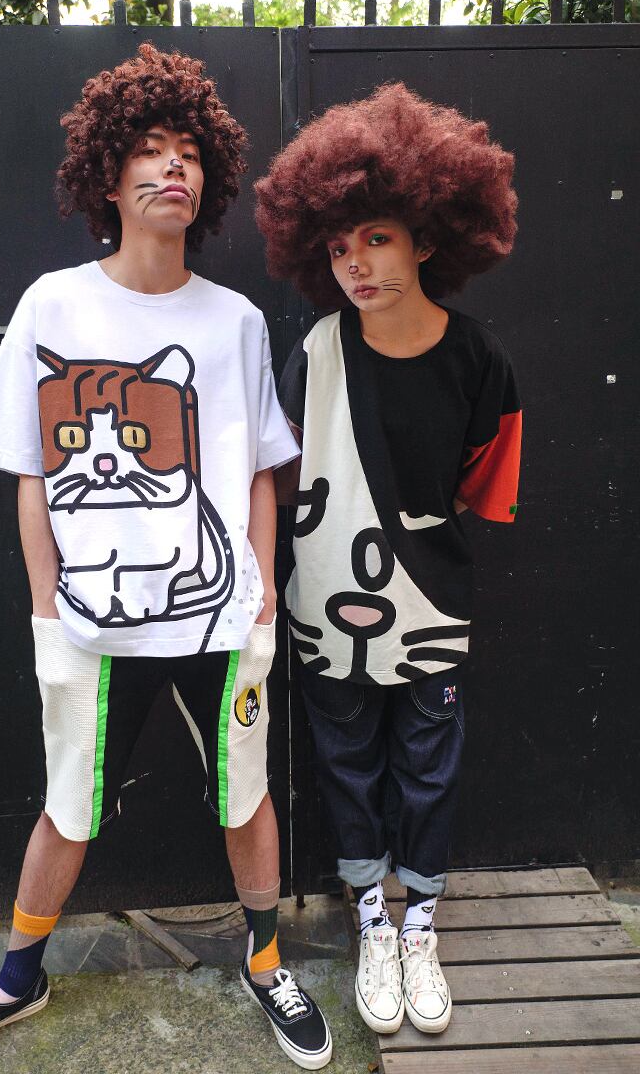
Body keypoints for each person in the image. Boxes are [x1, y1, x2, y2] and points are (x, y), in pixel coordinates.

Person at [0, 43, 331, 1070]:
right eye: (149, 146)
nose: (173, 163)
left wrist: (262, 598)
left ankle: (266, 962)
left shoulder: (232, 323)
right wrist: (46, 608)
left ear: (208, 180)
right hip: (89, 626)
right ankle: (15, 979)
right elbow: (30, 472)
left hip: (219, 617)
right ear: (108, 173)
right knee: (67, 805)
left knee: (245, 796)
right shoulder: (52, 306)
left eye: (190, 149)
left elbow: (258, 472)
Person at [255, 82, 521, 1038]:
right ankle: (372, 916)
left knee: (428, 766)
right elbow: (279, 471)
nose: (356, 263)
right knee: (346, 763)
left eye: (375, 238)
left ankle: (420, 925)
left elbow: (487, 480)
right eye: (338, 247)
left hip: (433, 609)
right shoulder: (317, 350)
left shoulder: (479, 360)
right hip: (324, 608)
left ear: (428, 237)